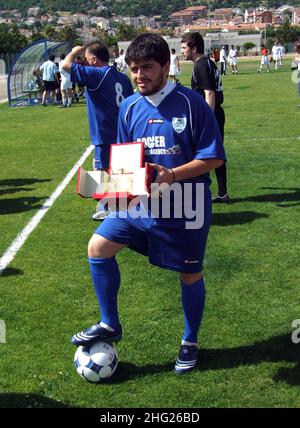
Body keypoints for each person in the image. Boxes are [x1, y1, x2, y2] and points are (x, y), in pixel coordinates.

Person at [70, 33, 226, 375]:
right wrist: (101, 186)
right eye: (134, 69)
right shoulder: (128, 108)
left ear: (167, 67)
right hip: (142, 205)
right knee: (98, 246)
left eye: (147, 68)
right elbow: (127, 166)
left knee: (189, 274)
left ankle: (190, 340)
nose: (139, 76)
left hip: (187, 205)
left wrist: (170, 174)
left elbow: (213, 157)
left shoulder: (190, 104)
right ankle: (110, 323)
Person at [62, 40, 133, 219]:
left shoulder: (97, 74)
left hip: (105, 133)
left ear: (94, 60)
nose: (85, 63)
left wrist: (74, 51)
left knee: (102, 172)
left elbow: (65, 66)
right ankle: (114, 206)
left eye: (86, 60)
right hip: (123, 132)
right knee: (120, 173)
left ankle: (110, 208)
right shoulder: (122, 77)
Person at [181, 32, 230, 203]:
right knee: (215, 154)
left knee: (203, 155)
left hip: (211, 113)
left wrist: (207, 119)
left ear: (194, 48)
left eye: (184, 48)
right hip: (216, 113)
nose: (182, 51)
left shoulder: (200, 65)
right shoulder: (209, 62)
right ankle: (222, 193)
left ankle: (202, 195)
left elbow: (209, 93)